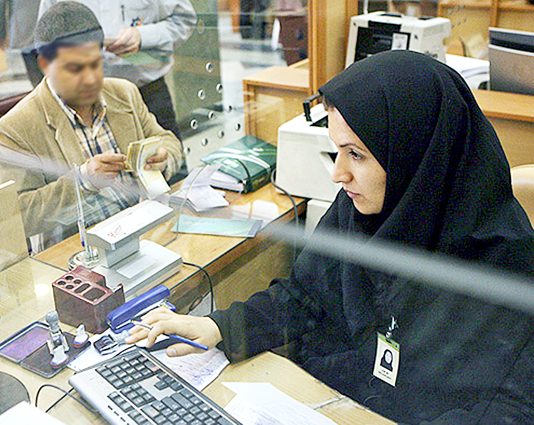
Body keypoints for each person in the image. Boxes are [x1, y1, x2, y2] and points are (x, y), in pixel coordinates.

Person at [126, 50, 534, 423]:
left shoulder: (505, 260)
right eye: (337, 150)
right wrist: (222, 327)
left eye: (356, 154)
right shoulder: (358, 210)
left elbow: (511, 410)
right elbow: (304, 297)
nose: (338, 173)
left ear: (415, 157)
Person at [0, 2, 184, 244]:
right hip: (80, 251)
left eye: (96, 64)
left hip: (143, 229)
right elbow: (18, 217)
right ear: (44, 65)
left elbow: (170, 142)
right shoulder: (14, 129)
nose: (90, 79)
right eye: (75, 69)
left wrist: (164, 157)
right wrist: (82, 182)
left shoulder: (124, 93)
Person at [37, 0, 196, 140]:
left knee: (168, 163)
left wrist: (143, 36)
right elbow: (45, 40)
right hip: (82, 101)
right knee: (97, 170)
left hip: (147, 93)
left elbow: (184, 20)